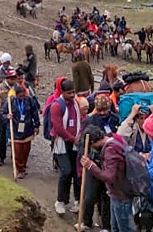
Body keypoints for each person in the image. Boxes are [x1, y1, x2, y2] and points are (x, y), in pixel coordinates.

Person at [80, 129, 135, 232]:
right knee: (115, 227)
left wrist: (91, 166)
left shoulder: (110, 150)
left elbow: (109, 176)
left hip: (121, 194)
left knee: (124, 228)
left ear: (92, 143)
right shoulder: (116, 139)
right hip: (119, 192)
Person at [50, 79, 86, 215]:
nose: (72, 95)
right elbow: (58, 127)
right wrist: (72, 138)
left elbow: (81, 120)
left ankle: (77, 200)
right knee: (65, 172)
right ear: (62, 92)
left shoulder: (75, 103)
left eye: (73, 92)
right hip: (61, 143)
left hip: (75, 142)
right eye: (69, 93)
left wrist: (79, 135)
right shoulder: (56, 106)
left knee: (76, 172)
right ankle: (60, 201)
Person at [1, 83, 40, 178]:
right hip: (15, 129)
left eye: (23, 95)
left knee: (26, 150)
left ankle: (23, 166)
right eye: (20, 96)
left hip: (27, 129)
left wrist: (37, 125)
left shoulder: (30, 100)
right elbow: (2, 113)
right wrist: (7, 116)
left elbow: (35, 113)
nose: (22, 97)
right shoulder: (10, 101)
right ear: (16, 95)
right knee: (17, 151)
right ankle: (19, 168)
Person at [77, 125, 110, 232]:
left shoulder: (108, 146)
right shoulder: (86, 143)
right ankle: (86, 222)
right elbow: (81, 152)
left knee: (106, 199)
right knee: (89, 197)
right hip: (92, 172)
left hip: (105, 173)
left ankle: (106, 226)